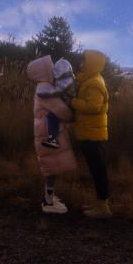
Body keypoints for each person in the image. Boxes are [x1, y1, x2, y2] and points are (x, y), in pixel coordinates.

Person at [26, 55, 77, 213]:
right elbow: (61, 110)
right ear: (44, 71)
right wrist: (72, 115)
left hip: (45, 130)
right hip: (47, 132)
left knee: (52, 166)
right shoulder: (45, 88)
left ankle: (49, 197)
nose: (53, 69)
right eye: (50, 67)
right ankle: (48, 203)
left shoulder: (44, 86)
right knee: (51, 167)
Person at [72, 49, 111, 218]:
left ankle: (103, 208)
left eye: (84, 61)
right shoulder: (90, 80)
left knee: (98, 171)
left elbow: (94, 107)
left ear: (91, 64)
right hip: (90, 132)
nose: (81, 64)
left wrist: (72, 102)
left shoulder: (94, 83)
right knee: (96, 170)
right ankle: (99, 204)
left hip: (93, 135)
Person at [35, 57, 76, 149]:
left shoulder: (67, 80)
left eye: (57, 70)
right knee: (52, 116)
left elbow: (56, 91)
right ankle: (54, 139)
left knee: (52, 116)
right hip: (67, 104)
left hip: (70, 106)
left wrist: (42, 93)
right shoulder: (68, 78)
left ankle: (53, 139)